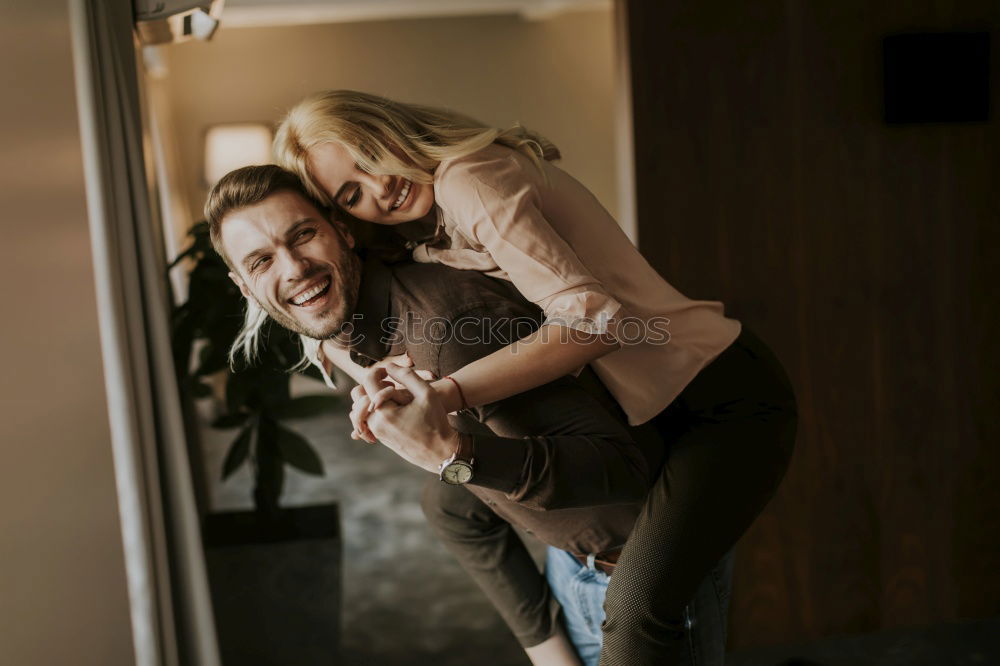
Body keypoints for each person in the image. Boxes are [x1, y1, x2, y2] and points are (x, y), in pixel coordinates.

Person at [270, 90, 797, 665]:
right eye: (352, 194)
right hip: (650, 403)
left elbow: (593, 324)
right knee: (451, 502)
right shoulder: (414, 223)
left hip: (721, 397)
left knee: (638, 612)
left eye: (370, 157)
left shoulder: (470, 181)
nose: (379, 187)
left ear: (390, 129)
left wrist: (445, 396)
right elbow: (319, 319)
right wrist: (367, 371)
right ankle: (550, 652)